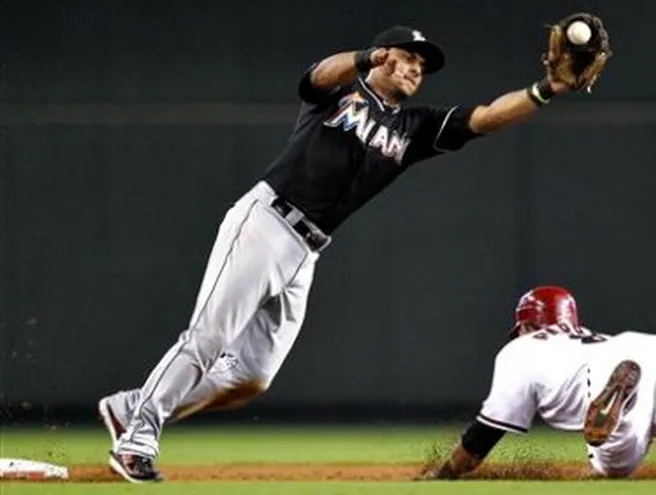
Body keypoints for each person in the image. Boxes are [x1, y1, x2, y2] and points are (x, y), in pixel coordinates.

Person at [99, 21, 613, 483]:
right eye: (410, 57)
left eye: (423, 65)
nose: (417, 68)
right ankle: (138, 438)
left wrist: (547, 90)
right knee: (208, 337)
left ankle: (132, 407)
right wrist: (367, 57)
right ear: (385, 55)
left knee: (249, 377)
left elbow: (487, 117)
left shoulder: (413, 129)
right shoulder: (341, 92)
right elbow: (317, 75)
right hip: (266, 219)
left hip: (306, 250)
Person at [420, 285, 656, 480]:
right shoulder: (591, 337)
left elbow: (483, 436)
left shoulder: (519, 350)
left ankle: (619, 395)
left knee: (616, 468)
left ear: (525, 325)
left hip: (613, 364)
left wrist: (443, 474)